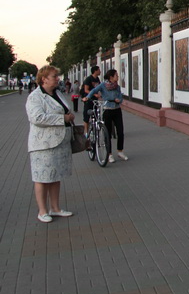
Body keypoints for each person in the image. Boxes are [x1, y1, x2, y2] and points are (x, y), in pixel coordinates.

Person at [25, 66, 75, 223]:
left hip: (59, 142)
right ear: (44, 79)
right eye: (54, 76)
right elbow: (37, 118)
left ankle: (55, 208)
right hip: (43, 145)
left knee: (55, 175)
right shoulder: (35, 97)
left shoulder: (57, 93)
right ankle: (42, 211)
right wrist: (62, 119)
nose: (58, 78)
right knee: (42, 177)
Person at [84, 69, 127, 162]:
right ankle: (109, 154)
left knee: (120, 132)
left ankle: (120, 151)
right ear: (111, 77)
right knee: (108, 133)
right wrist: (87, 97)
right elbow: (94, 90)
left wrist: (119, 100)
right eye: (116, 75)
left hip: (117, 110)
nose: (118, 76)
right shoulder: (103, 85)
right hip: (107, 110)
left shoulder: (117, 87)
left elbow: (120, 96)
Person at [81, 66, 101, 136]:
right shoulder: (88, 79)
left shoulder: (97, 79)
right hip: (88, 100)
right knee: (86, 117)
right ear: (95, 71)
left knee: (96, 116)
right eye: (99, 70)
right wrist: (94, 94)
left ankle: (94, 131)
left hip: (95, 101)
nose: (100, 71)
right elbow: (86, 90)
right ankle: (86, 133)